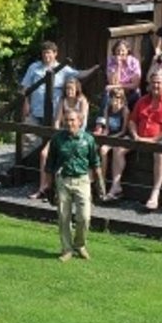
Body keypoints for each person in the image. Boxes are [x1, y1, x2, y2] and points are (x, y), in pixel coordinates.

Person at [45, 110, 103, 261]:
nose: (69, 123)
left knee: (84, 217)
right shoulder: (57, 139)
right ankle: (66, 249)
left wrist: (100, 184)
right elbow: (49, 164)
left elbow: (95, 163)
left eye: (72, 120)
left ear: (80, 121)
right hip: (63, 180)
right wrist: (48, 185)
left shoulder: (88, 140)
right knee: (63, 217)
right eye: (66, 120)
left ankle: (80, 244)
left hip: (82, 180)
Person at [129, 69, 162, 211]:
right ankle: (116, 186)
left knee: (160, 152)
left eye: (158, 83)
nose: (155, 86)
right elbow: (132, 120)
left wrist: (154, 139)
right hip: (140, 137)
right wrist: (134, 135)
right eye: (153, 83)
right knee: (118, 148)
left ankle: (155, 193)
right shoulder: (142, 101)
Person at [94, 86, 131, 201]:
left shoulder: (125, 110)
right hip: (111, 135)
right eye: (112, 97)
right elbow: (107, 129)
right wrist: (104, 135)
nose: (115, 100)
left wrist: (112, 138)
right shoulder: (108, 109)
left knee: (105, 149)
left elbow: (124, 130)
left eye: (118, 97)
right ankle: (102, 179)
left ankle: (105, 181)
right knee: (100, 149)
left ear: (122, 99)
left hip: (120, 136)